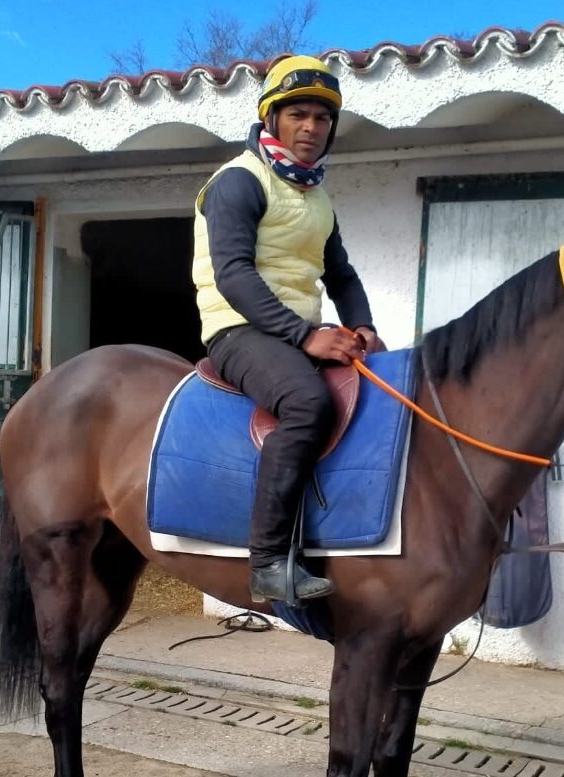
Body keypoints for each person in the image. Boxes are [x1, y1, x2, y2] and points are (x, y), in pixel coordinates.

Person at [192, 55, 383, 604]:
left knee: (384, 384)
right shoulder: (237, 181)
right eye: (298, 114)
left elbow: (341, 275)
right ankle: (269, 562)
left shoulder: (317, 197)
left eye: (322, 118)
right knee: (306, 403)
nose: (311, 128)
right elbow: (233, 274)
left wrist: (363, 326)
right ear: (271, 118)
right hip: (239, 329)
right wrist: (305, 336)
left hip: (296, 328)